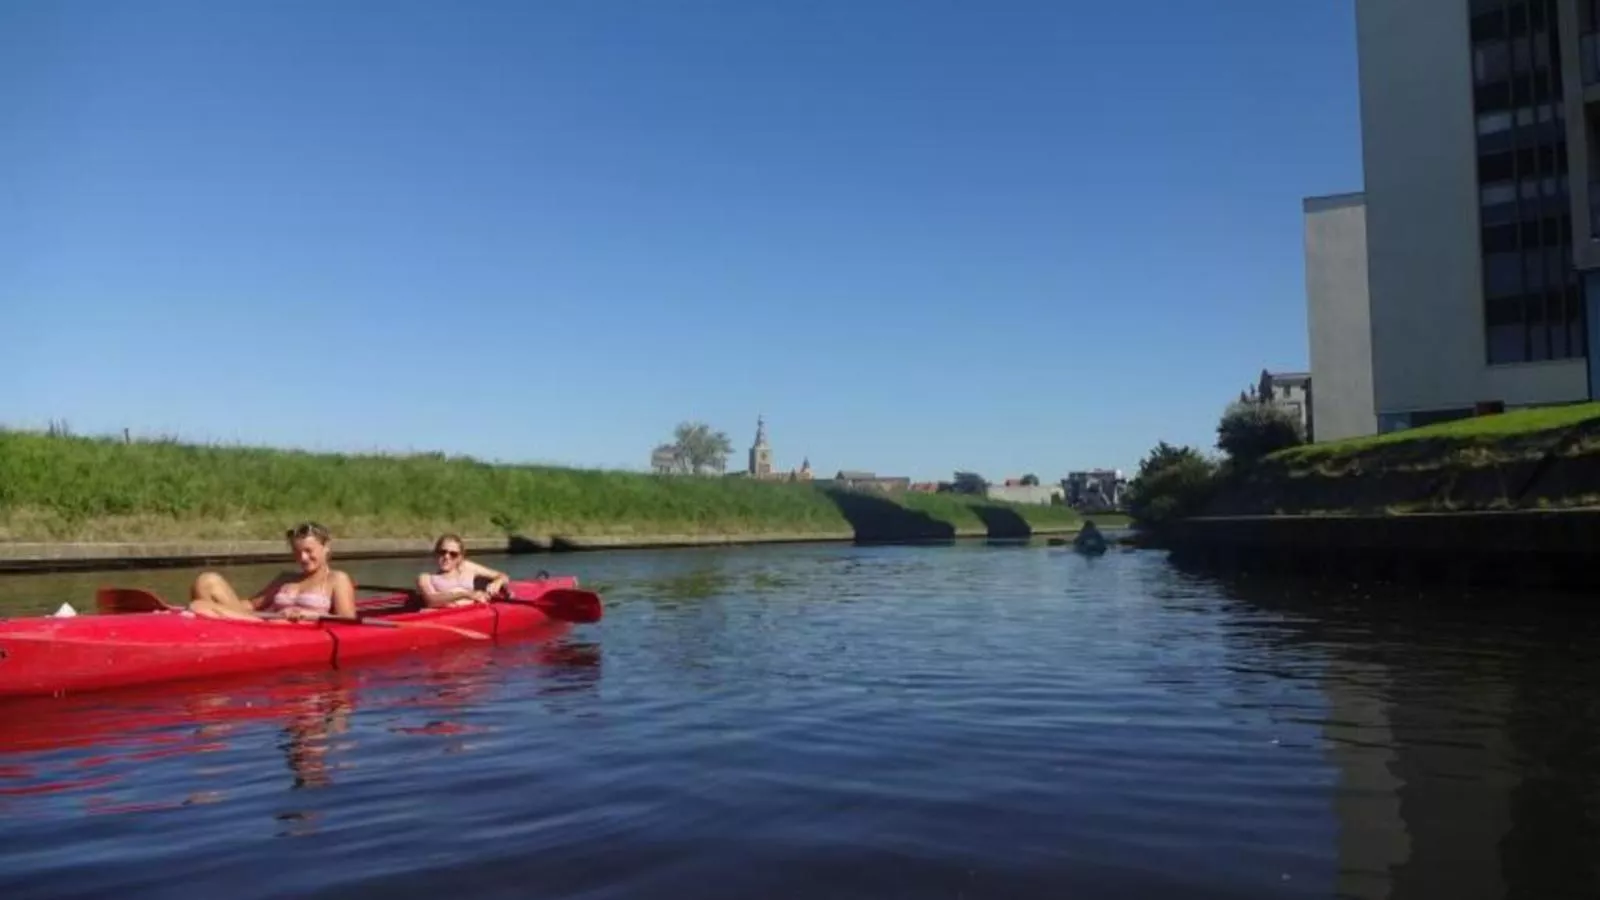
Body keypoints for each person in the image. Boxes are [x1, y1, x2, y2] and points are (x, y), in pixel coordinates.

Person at [188, 521, 358, 622]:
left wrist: (309, 614)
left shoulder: (337, 579)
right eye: (297, 552)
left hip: (292, 632)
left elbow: (348, 622)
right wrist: (221, 602)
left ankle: (201, 619)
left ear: (326, 547)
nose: (303, 558)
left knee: (198, 606)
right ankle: (207, 625)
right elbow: (251, 605)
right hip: (264, 624)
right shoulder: (286, 578)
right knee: (206, 581)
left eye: (309, 551)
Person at [417, 533, 511, 608]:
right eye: (442, 552)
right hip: (447, 619)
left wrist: (498, 582)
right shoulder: (425, 578)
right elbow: (431, 601)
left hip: (474, 614)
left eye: (453, 554)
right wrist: (465, 594)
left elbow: (503, 576)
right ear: (436, 553)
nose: (446, 556)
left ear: (460, 557)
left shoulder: (467, 567)